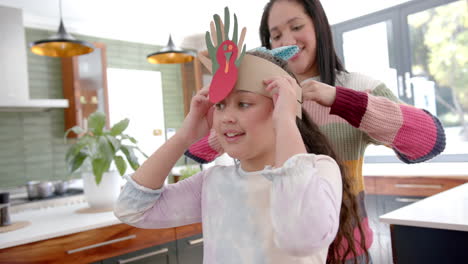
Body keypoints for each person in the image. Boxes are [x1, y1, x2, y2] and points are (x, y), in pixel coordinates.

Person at [185, 0, 446, 263]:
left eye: (296, 26)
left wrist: (338, 99)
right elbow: (198, 151)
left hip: (346, 252)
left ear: (319, 28)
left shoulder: (358, 88)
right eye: (275, 35)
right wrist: (223, 106)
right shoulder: (260, 96)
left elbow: (428, 142)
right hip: (273, 252)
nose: (287, 39)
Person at [114, 37, 371, 263]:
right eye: (221, 106)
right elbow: (131, 208)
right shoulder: (213, 181)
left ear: (282, 106)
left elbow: (298, 238)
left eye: (244, 104)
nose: (226, 117)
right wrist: (184, 137)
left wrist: (286, 121)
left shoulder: (319, 170)